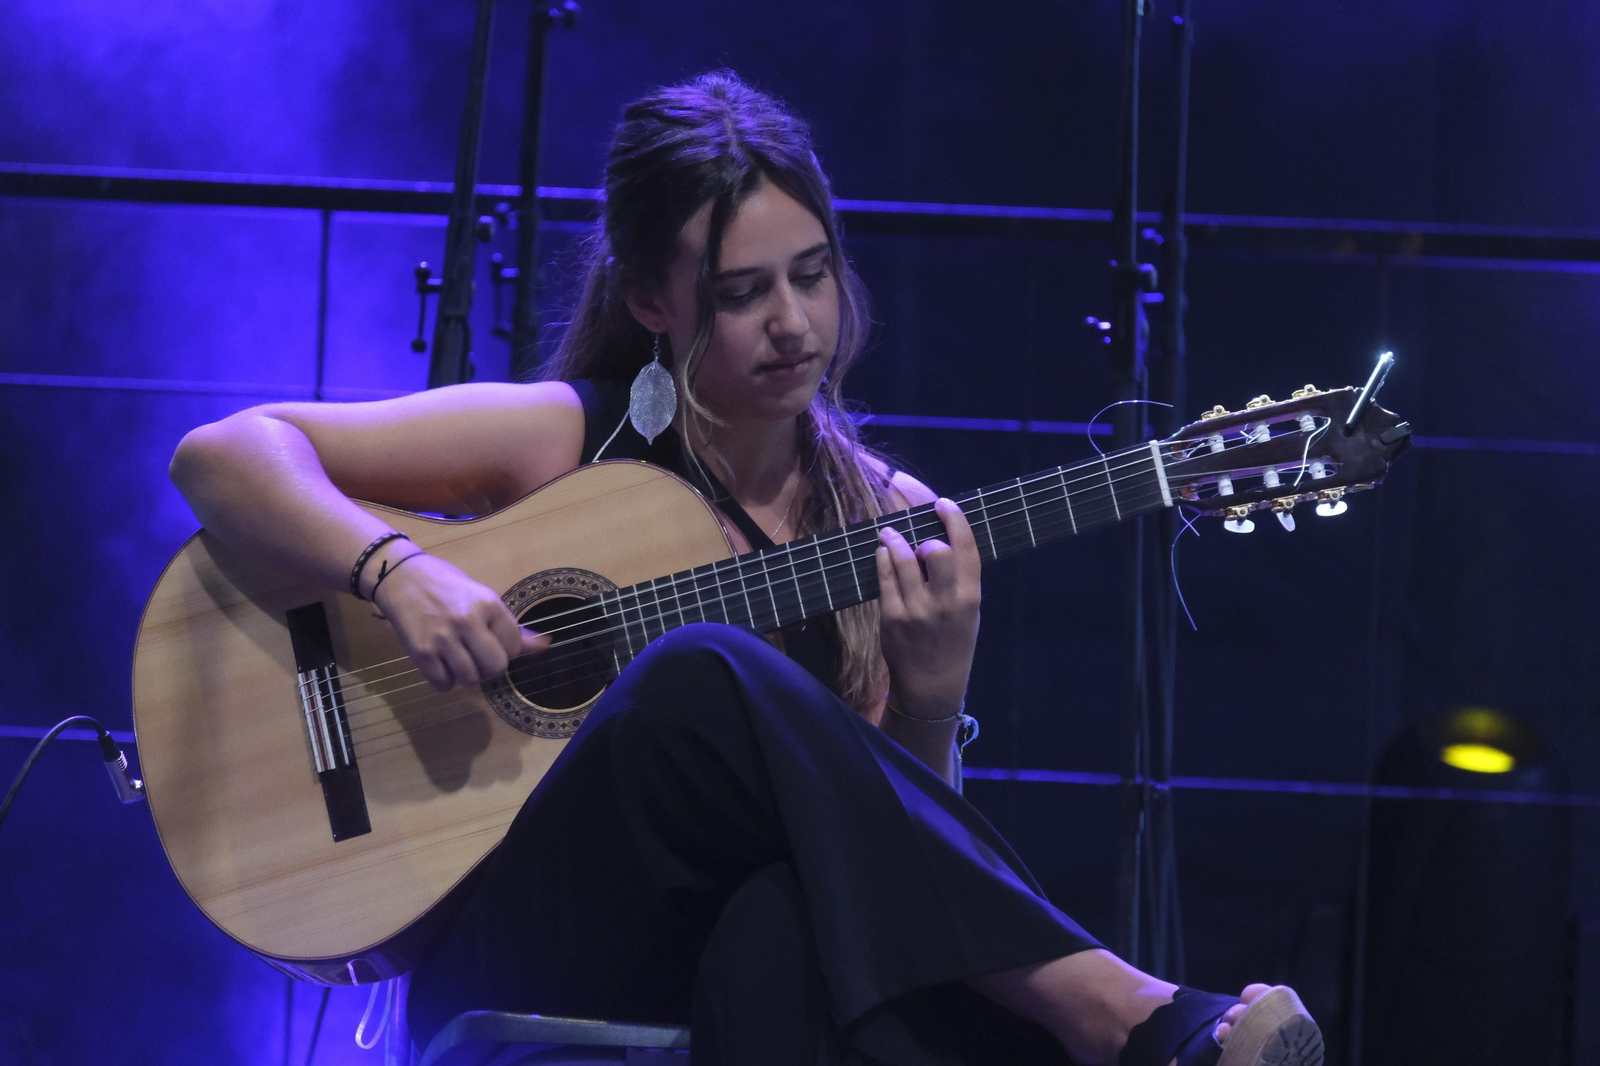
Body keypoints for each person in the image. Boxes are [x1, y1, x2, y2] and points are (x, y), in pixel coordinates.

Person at [169, 71, 1321, 1066]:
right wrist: (398, 571)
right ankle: (1126, 1013)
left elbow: (893, 862)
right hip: (522, 926)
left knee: (782, 913)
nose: (792, 323)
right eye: (741, 292)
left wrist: (932, 698)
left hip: (727, 963)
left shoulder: (891, 519)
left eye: (811, 275)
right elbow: (223, 455)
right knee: (700, 669)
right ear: (648, 300)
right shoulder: (566, 437)